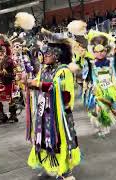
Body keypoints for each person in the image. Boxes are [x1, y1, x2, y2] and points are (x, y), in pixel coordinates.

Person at [25, 39, 80, 180]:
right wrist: (28, 83)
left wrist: (40, 85)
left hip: (59, 116)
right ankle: (49, 166)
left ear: (56, 55)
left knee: (60, 140)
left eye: (47, 54)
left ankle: (65, 171)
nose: (43, 57)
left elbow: (65, 95)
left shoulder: (63, 71)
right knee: (44, 139)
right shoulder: (44, 69)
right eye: (42, 54)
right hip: (44, 112)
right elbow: (38, 84)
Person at [0, 41, 18, 125]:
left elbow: (14, 72)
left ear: (2, 51)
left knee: (10, 100)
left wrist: (5, 74)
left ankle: (13, 116)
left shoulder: (9, 60)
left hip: (7, 83)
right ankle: (2, 117)